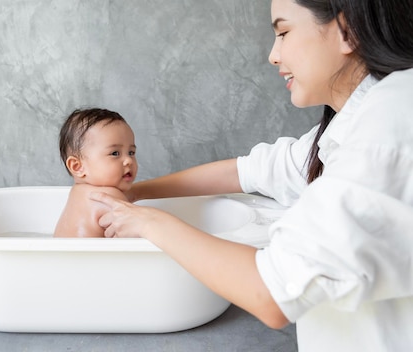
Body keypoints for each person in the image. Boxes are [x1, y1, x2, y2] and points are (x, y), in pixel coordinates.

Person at [90, 0, 413, 350]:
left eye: (284, 32)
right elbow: (255, 170)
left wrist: (148, 223)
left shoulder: (389, 126)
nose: (274, 55)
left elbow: (272, 292)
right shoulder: (360, 116)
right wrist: (133, 193)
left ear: (346, 30)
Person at [54, 108, 138, 238]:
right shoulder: (109, 197)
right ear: (78, 167)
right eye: (115, 153)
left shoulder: (76, 194)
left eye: (131, 153)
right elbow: (136, 242)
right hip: (92, 259)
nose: (128, 161)